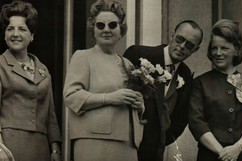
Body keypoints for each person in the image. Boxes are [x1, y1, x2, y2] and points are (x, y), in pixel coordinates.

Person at [63, 0, 144, 161]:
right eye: (100, 25)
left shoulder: (127, 64)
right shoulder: (82, 57)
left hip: (127, 143)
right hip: (94, 142)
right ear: (93, 30)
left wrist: (140, 104)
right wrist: (110, 98)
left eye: (112, 25)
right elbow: (71, 96)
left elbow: (131, 104)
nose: (106, 30)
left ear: (121, 30)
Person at [124, 20, 203, 161]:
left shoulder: (186, 75)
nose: (182, 47)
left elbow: (180, 120)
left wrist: (158, 141)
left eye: (190, 45)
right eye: (180, 39)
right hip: (125, 145)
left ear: (195, 49)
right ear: (172, 35)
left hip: (153, 153)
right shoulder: (139, 54)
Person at [188, 19, 242, 161]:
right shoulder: (200, 83)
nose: (218, 53)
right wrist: (224, 153)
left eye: (224, 48)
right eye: (214, 48)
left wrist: (237, 148)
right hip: (210, 156)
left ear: (237, 50)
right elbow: (197, 122)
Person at [0, 1, 62, 161]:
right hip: (8, 147)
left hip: (40, 148)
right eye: (10, 29)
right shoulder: (0, 65)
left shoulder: (43, 70)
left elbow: (50, 115)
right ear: (4, 34)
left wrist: (55, 149)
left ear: (32, 35)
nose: (15, 34)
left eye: (22, 29)